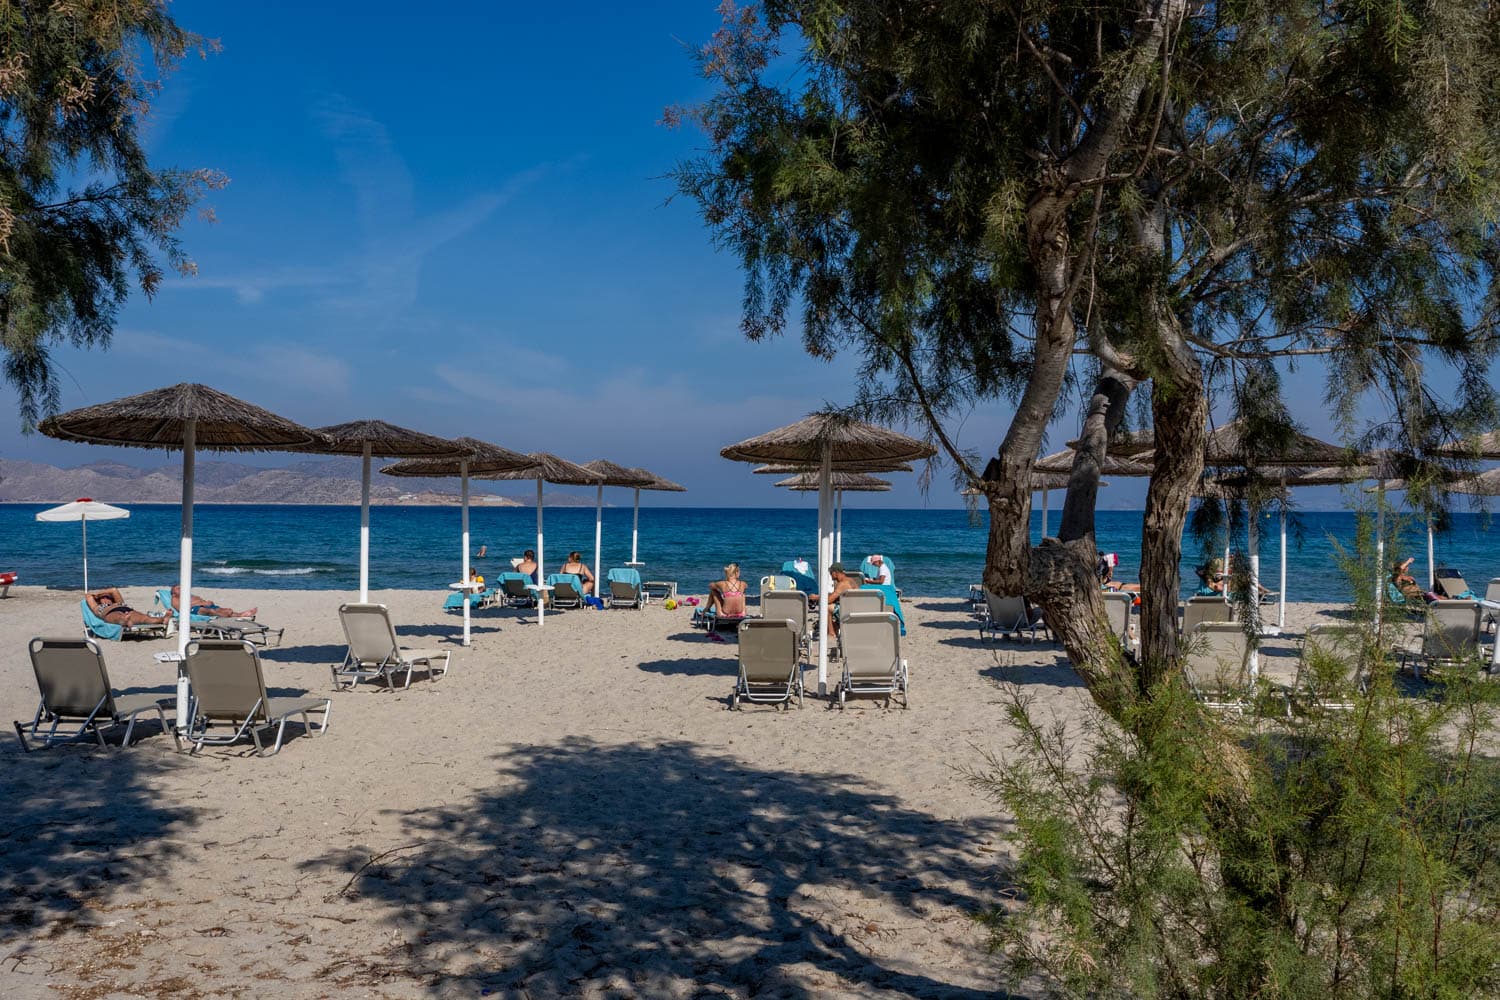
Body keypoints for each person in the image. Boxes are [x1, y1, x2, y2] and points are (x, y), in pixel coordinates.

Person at [807, 562, 861, 636]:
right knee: (833, 606)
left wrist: (816, 597)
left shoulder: (842, 584)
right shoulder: (850, 580)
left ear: (835, 573)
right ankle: (834, 628)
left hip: (847, 610)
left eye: (831, 573)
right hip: (854, 608)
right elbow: (834, 595)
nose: (830, 575)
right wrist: (820, 596)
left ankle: (831, 633)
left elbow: (829, 600)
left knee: (826, 607)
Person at [87, 587, 171, 628]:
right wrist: (97, 596)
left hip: (126, 609)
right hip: (109, 613)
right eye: (103, 598)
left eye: (108, 597)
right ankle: (125, 620)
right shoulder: (97, 607)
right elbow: (88, 596)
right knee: (118, 617)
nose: (106, 599)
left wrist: (100, 593)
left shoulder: (118, 602)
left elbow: (114, 590)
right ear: (98, 600)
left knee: (144, 618)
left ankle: (162, 620)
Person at [169, 585, 256, 619]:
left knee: (226, 610)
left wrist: (207, 602)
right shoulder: (175, 599)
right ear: (173, 593)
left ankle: (241, 614)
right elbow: (182, 608)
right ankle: (225, 617)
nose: (181, 588)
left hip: (204, 606)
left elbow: (198, 600)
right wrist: (202, 603)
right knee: (210, 611)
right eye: (178, 588)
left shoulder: (186, 595)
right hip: (193, 609)